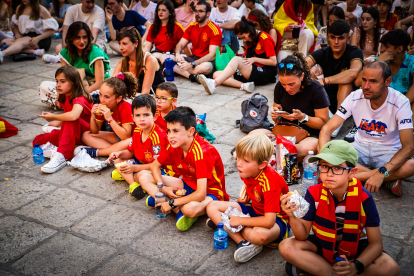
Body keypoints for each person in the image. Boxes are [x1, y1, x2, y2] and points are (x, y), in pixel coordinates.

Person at [279, 140, 401, 276]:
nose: (329, 173)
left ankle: (322, 269)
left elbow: (376, 245)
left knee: (391, 268)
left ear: (352, 173)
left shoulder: (364, 198)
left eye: (337, 168)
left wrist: (356, 266)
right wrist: (292, 216)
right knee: (286, 247)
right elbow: (302, 236)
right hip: (323, 242)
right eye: (324, 167)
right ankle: (335, 272)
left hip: (356, 245)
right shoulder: (314, 193)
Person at [320, 61, 414, 197]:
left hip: (388, 151)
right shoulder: (355, 96)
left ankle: (352, 175)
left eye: (373, 81)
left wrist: (382, 171)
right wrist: (326, 159)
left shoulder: (400, 102)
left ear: (387, 81)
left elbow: (409, 147)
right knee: (333, 149)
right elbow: (327, 129)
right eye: (364, 80)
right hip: (359, 147)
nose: (366, 86)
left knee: (411, 165)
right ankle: (387, 179)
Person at [138, 106, 230, 231]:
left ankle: (172, 205)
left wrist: (170, 203)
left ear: (191, 131)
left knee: (189, 209)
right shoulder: (175, 145)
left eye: (175, 131)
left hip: (211, 193)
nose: (170, 136)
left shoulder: (202, 152)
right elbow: (155, 166)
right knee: (143, 175)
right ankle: (175, 207)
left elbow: (201, 194)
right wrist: (164, 188)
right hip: (187, 184)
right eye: (168, 131)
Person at [206, 133, 290, 263]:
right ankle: (243, 242)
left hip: (277, 220)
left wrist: (239, 220)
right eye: (238, 157)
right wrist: (245, 199)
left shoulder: (270, 182)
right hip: (254, 211)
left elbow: (269, 221)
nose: (239, 164)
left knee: (259, 236)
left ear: (262, 165)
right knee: (211, 206)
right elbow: (250, 186)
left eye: (246, 160)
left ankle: (225, 224)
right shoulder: (247, 171)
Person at [250, 53, 330, 162]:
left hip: (308, 135)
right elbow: (276, 119)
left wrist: (303, 117)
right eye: (283, 84)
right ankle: (271, 156)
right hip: (284, 131)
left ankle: (263, 156)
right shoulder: (279, 87)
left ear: (302, 76)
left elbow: (323, 122)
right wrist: (276, 115)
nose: (287, 89)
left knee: (305, 149)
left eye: (291, 84)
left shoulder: (316, 90)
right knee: (252, 137)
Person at [307, 20, 363, 137]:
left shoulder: (354, 52)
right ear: (328, 37)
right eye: (333, 37)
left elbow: (354, 73)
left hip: (347, 99)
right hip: (326, 96)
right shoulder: (323, 52)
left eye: (341, 38)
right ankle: (329, 114)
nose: (336, 42)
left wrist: (325, 80)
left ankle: (335, 124)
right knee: (307, 72)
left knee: (346, 82)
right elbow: (302, 65)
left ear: (348, 38)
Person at [108, 95, 170, 200]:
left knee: (140, 175)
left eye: (146, 115)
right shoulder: (137, 131)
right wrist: (119, 153)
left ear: (154, 117)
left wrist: (135, 168)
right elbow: (131, 152)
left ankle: (132, 179)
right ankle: (133, 183)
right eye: (137, 115)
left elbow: (158, 165)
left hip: (160, 170)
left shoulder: (157, 137)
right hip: (141, 162)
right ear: (133, 117)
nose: (141, 119)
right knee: (118, 161)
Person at [33, 66, 93, 174]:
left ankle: (63, 155)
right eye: (57, 81)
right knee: (37, 141)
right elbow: (68, 112)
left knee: (70, 120)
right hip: (73, 130)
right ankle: (66, 139)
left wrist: (54, 116)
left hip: (87, 133)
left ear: (74, 82)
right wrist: (58, 122)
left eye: (62, 81)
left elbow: (73, 116)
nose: (58, 85)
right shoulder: (65, 95)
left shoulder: (80, 98)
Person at [40, 22, 111, 110]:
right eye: (78, 37)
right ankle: (76, 105)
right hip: (76, 86)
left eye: (84, 37)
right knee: (44, 86)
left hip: (94, 88)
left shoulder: (96, 53)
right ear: (71, 38)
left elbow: (99, 83)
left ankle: (74, 105)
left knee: (99, 97)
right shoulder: (65, 53)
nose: (82, 41)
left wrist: (81, 94)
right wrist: (60, 95)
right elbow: (62, 79)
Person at [199, 17, 276, 94]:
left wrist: (254, 59)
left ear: (248, 31)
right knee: (217, 74)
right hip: (251, 71)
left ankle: (214, 84)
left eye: (243, 37)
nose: (244, 40)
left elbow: (273, 62)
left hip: (265, 73)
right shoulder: (250, 40)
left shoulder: (264, 38)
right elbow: (247, 59)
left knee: (236, 60)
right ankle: (245, 86)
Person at [81, 72, 137, 152]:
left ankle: (112, 150)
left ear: (118, 99)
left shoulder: (126, 108)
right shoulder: (103, 105)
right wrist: (92, 116)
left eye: (106, 97)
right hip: (117, 137)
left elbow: (126, 137)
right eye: (100, 95)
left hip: (131, 139)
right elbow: (95, 131)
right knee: (85, 135)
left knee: (126, 141)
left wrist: (110, 119)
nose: (101, 100)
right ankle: (117, 150)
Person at [174, 1, 222, 83]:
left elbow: (212, 56)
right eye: (196, 11)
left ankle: (186, 72)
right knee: (169, 59)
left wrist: (192, 64)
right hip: (193, 58)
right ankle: (193, 76)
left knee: (205, 67)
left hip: (207, 61)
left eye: (200, 11)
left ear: (208, 14)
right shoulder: (192, 26)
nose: (197, 13)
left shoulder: (214, 30)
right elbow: (180, 44)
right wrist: (178, 54)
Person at [113, 27, 165, 94]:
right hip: (136, 98)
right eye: (119, 43)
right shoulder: (122, 63)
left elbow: (145, 92)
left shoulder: (149, 60)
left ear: (136, 43)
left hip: (154, 99)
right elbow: (111, 85)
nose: (120, 47)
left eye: (124, 44)